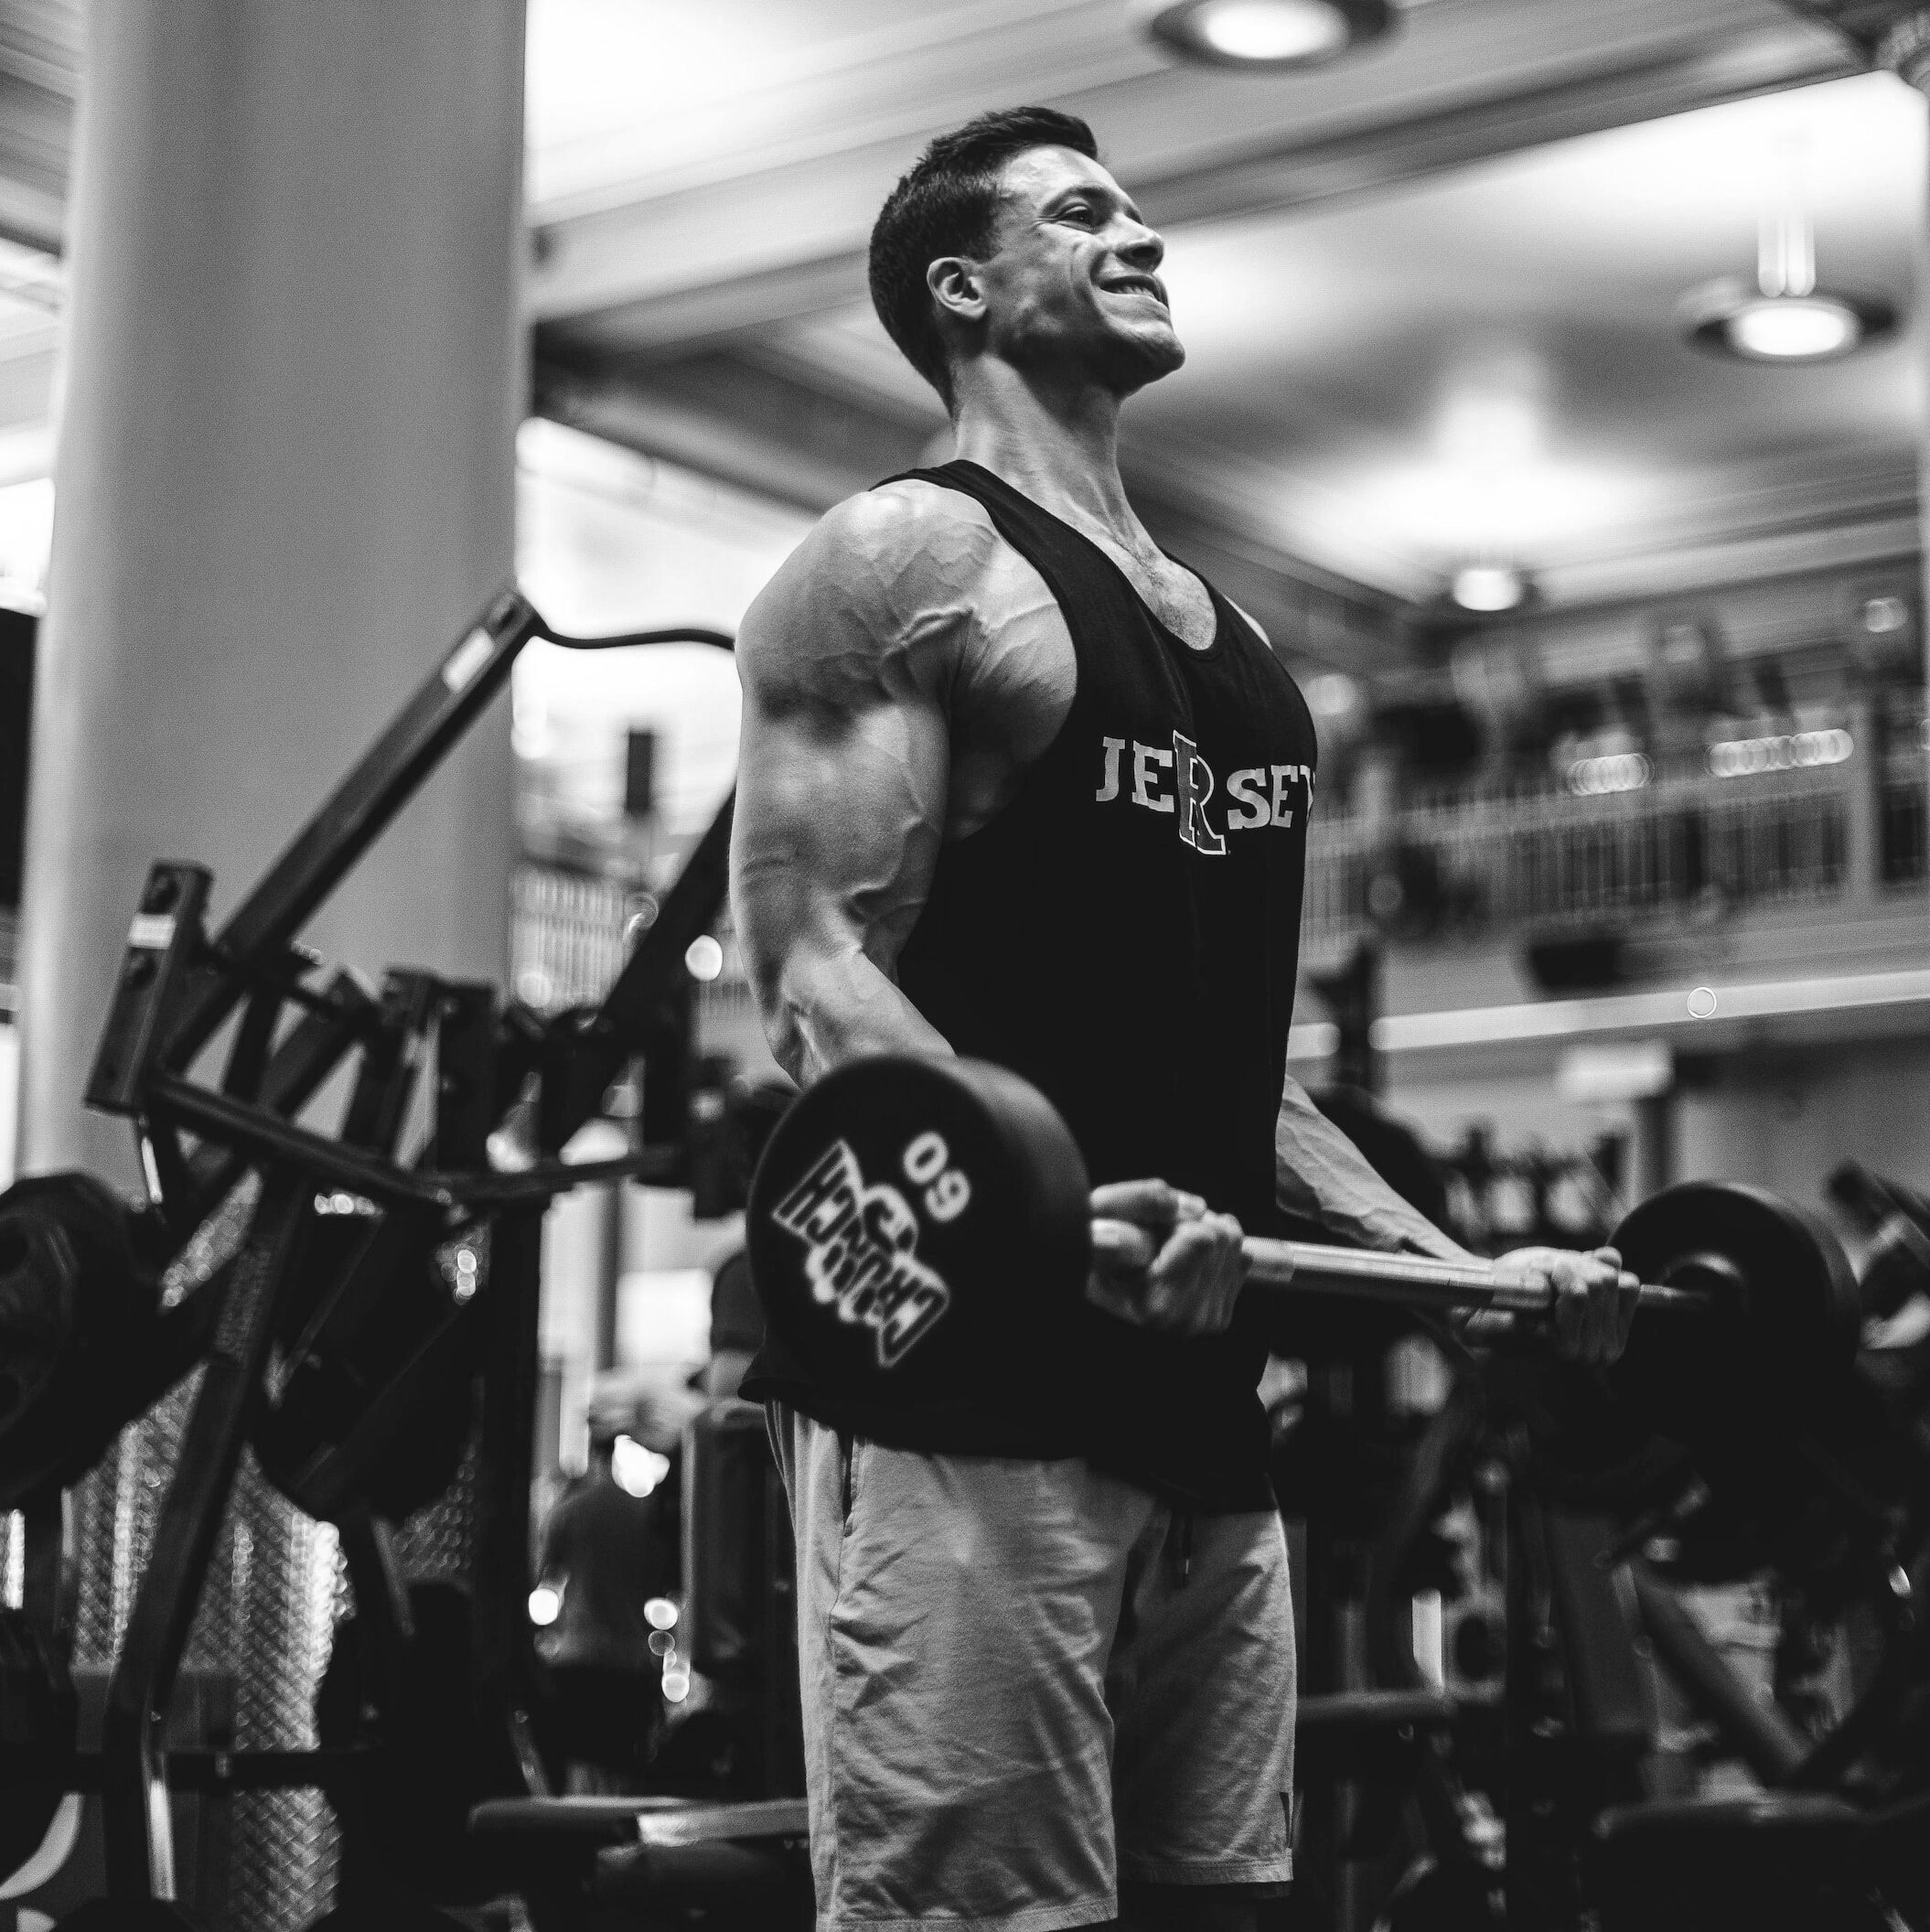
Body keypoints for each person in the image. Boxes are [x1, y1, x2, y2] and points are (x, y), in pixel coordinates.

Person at [729, 105, 1638, 1932]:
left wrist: (1459, 1278)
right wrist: (1050, 1209)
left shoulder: (1235, 647)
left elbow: (1237, 1073)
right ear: (961, 289)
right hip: (970, 1399)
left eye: (1138, 212)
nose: (1140, 238)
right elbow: (811, 972)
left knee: (1227, 1905)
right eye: (1084, 215)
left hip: (1202, 1403)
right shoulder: (896, 563)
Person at [536, 1423, 680, 1790]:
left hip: (578, 1654)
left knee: (577, 1769)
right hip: (629, 1661)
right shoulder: (641, 1511)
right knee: (622, 1772)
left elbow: (546, 1572)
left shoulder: (569, 1510)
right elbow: (660, 1582)